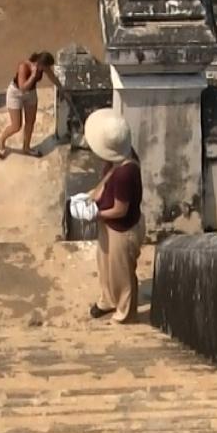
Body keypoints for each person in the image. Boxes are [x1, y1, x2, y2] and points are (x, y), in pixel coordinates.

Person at [84, 109, 145, 324]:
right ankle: (108, 300)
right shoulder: (119, 160)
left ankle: (124, 315)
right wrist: (93, 196)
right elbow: (107, 181)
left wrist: (96, 215)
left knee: (122, 275)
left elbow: (120, 210)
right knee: (105, 266)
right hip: (110, 225)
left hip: (122, 229)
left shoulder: (125, 173)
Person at [0, 51, 61, 159]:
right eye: (45, 67)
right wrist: (33, 76)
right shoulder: (24, 66)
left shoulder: (43, 67)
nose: (46, 69)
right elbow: (22, 88)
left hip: (31, 93)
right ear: (39, 63)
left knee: (30, 122)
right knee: (16, 126)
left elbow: (52, 77)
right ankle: (1, 142)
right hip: (16, 94)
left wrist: (62, 89)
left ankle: (26, 147)